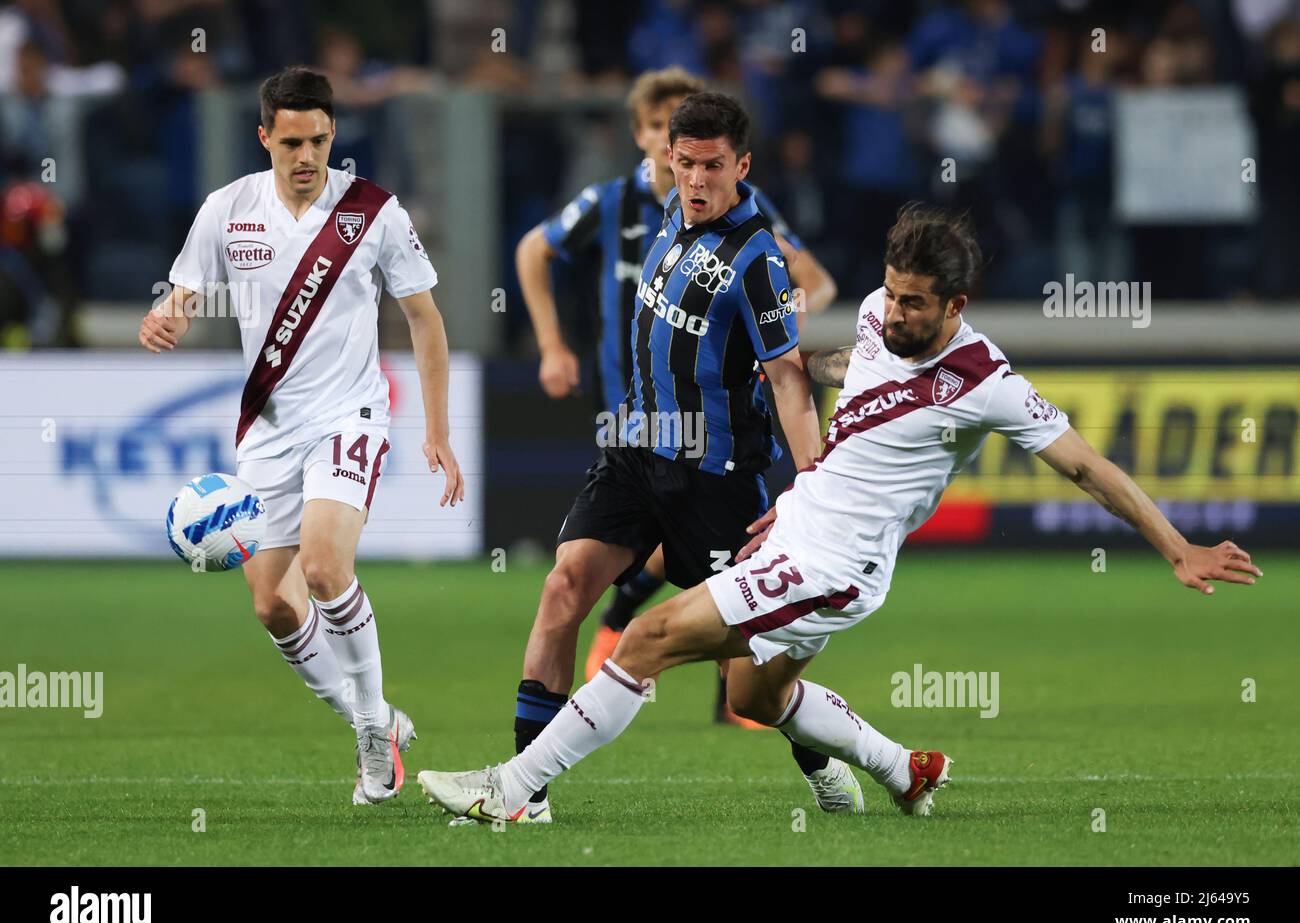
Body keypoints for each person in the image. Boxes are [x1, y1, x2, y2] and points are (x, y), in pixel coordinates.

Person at [418, 202, 1263, 823]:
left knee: (647, 637)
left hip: (836, 566)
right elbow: (850, 369)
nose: (894, 313)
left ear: (956, 306)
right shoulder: (872, 315)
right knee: (754, 695)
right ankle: (905, 771)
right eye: (892, 295)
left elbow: (1089, 468)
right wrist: (786, 372)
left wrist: (1176, 544)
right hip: (796, 531)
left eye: (915, 305)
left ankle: (515, 789)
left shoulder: (986, 382)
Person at [487, 91, 828, 825]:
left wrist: (813, 499)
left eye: (713, 166)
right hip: (634, 454)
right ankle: (525, 793)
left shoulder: (760, 260)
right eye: (685, 164)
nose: (697, 181)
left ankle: (826, 759)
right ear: (666, 161)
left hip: (716, 479)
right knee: (562, 589)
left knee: (751, 683)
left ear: (742, 166)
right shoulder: (670, 209)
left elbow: (790, 383)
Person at [138, 67, 464, 806]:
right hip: (267, 430)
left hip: (348, 415)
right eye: (291, 142)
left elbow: (425, 320)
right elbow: (183, 294)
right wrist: (168, 319)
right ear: (265, 138)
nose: (307, 155)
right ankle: (370, 716)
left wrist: (437, 429)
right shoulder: (228, 208)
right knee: (273, 606)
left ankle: (373, 747)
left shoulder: (373, 213)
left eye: (319, 139)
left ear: (332, 135)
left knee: (323, 569)